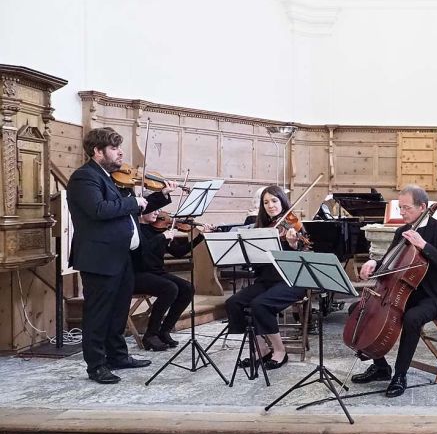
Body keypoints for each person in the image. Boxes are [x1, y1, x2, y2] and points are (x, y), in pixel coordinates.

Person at [67, 127, 177, 384]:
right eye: (114, 148)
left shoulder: (110, 178)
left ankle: (118, 356)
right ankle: (96, 365)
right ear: (97, 151)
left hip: (121, 257)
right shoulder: (84, 177)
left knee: (118, 312)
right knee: (98, 314)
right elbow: (98, 209)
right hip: (100, 258)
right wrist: (132, 202)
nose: (120, 153)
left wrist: (160, 196)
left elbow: (133, 209)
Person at [351, 185, 437, 398]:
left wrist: (424, 245)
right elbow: (390, 262)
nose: (402, 212)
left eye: (406, 208)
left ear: (422, 207)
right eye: (400, 208)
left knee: (412, 318)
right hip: (405, 292)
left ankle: (400, 375)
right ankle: (381, 367)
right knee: (359, 309)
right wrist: (374, 263)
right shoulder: (402, 232)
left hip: (434, 296)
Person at [223, 185, 307, 370]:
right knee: (233, 303)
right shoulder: (261, 227)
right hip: (267, 280)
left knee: (260, 304)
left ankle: (280, 351)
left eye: (274, 201)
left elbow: (305, 251)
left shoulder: (292, 223)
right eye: (266, 202)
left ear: (282, 202)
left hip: (291, 281)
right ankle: (261, 349)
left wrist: (293, 245)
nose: (270, 205)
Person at [132, 209, 214, 351]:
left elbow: (178, 252)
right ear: (142, 211)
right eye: (153, 209)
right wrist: (162, 237)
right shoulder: (136, 229)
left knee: (187, 288)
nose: (157, 213)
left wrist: (200, 236)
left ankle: (164, 331)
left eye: (159, 210)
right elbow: (142, 252)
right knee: (169, 288)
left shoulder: (160, 230)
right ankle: (150, 334)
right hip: (137, 275)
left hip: (157, 273)